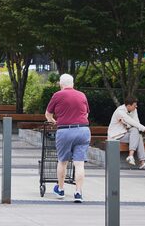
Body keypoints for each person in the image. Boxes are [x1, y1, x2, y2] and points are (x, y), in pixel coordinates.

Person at [45, 74, 91, 203]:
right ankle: (78, 192)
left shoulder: (57, 95)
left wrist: (54, 122)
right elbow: (86, 114)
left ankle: (60, 189)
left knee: (62, 161)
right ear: (73, 84)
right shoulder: (82, 95)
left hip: (65, 131)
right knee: (79, 163)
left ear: (61, 84)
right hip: (83, 130)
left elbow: (48, 114)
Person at [107, 96, 145, 170]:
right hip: (115, 136)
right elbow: (133, 123)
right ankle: (139, 161)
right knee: (137, 133)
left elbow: (137, 123)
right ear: (129, 106)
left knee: (137, 133)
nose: (136, 106)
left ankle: (134, 158)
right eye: (134, 105)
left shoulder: (134, 110)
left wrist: (130, 126)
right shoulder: (120, 111)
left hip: (125, 133)